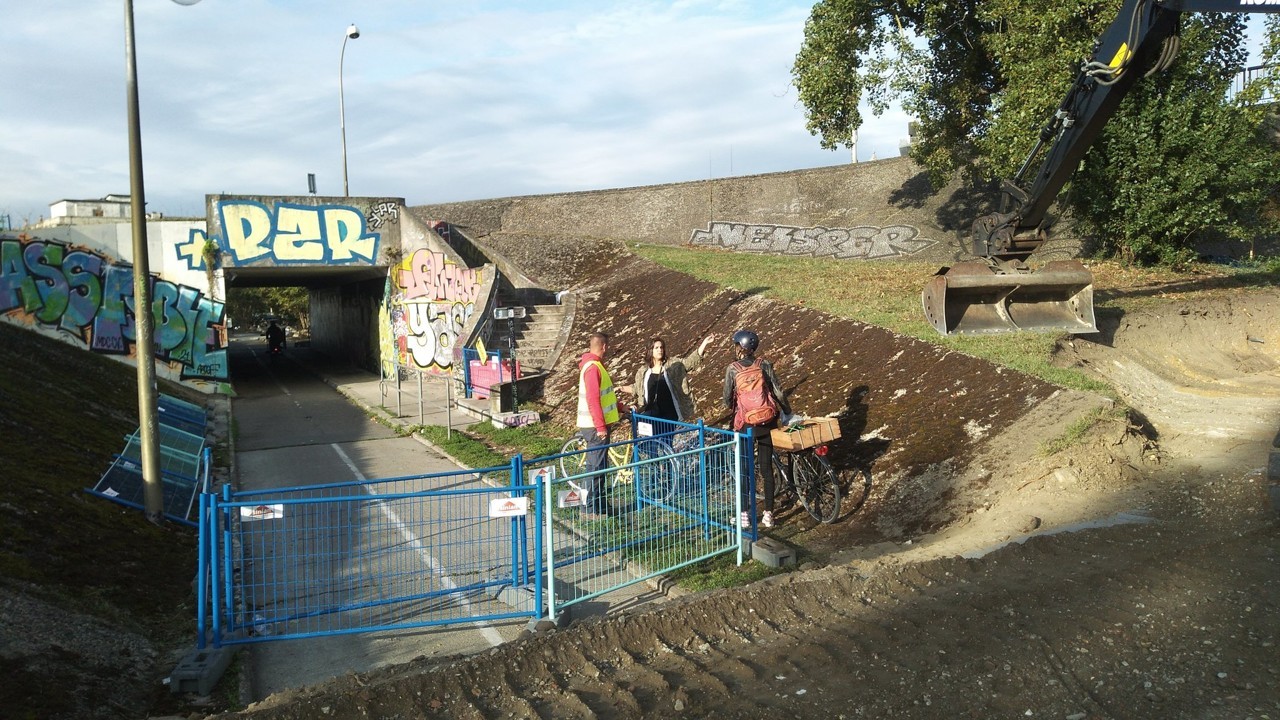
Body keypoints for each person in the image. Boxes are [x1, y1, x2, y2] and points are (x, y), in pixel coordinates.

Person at [723, 329, 790, 529]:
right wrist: (787, 411)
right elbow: (777, 391)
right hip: (767, 421)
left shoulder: (732, 369)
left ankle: (744, 514)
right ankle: (769, 514)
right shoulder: (764, 365)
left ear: (740, 347)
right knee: (766, 467)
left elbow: (727, 398)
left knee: (744, 469)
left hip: (746, 424)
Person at [619, 335, 714, 433]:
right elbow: (637, 388)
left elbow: (689, 363)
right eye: (656, 348)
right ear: (649, 350)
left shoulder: (672, 365)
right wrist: (621, 388)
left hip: (670, 413)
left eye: (661, 347)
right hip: (651, 414)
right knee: (651, 443)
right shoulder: (643, 372)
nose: (660, 350)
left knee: (667, 440)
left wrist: (704, 343)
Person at [576, 331, 621, 517]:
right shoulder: (593, 368)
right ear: (604, 347)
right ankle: (589, 508)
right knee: (595, 468)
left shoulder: (594, 366)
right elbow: (593, 400)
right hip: (595, 428)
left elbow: (603, 397)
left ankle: (599, 505)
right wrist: (601, 427)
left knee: (599, 467)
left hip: (594, 426)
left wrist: (620, 407)